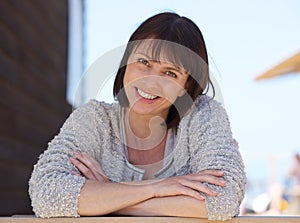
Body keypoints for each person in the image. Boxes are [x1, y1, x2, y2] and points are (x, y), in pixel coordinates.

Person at [28, 12, 246, 221]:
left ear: (184, 86)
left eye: (170, 73)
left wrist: (109, 197)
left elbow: (222, 200)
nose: (151, 82)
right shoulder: (94, 119)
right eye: (144, 62)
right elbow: (46, 192)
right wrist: (157, 188)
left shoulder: (202, 115)